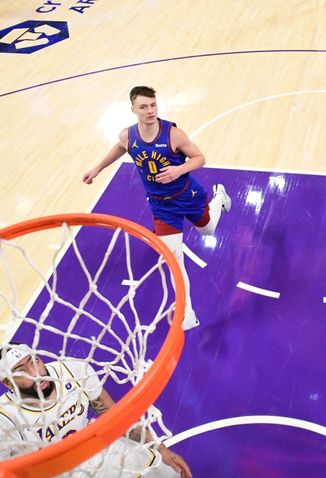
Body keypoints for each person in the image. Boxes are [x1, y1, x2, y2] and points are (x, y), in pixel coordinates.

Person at [81, 86, 232, 331]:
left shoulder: (173, 134)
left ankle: (219, 198)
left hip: (188, 195)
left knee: (208, 231)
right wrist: (97, 168)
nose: (150, 110)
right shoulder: (127, 136)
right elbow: (120, 147)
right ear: (133, 109)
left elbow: (199, 158)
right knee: (174, 259)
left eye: (153, 105)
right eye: (143, 106)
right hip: (162, 207)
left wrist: (178, 170)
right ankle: (188, 311)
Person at [0, 344, 192, 478]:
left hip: (92, 448)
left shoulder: (74, 371)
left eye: (34, 361)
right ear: (7, 383)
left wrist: (160, 448)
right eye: (21, 371)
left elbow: (116, 414)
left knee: (170, 475)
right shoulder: (5, 421)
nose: (36, 373)